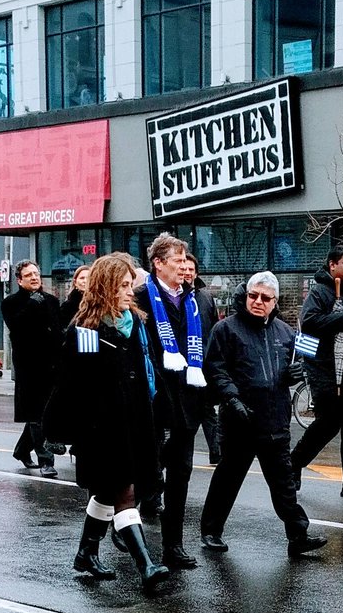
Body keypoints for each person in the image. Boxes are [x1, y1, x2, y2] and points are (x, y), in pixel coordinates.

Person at [47, 254, 170, 592]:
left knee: (107, 491)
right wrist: (61, 430)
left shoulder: (136, 324)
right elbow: (75, 383)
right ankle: (146, 565)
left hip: (135, 422)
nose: (130, 292)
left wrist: (163, 413)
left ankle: (86, 553)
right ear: (106, 287)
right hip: (102, 428)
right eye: (124, 286)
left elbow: (150, 372)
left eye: (131, 285)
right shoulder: (86, 329)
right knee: (124, 491)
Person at [199, 272, 327, 557]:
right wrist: (231, 398)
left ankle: (298, 534)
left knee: (283, 482)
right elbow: (216, 368)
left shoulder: (284, 332)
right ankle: (211, 530)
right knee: (228, 478)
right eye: (253, 295)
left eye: (265, 298)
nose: (257, 302)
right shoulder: (226, 329)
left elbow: (298, 363)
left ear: (274, 302)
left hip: (275, 418)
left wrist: (297, 372)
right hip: (239, 420)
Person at [134, 233, 215, 570]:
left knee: (180, 473)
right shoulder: (140, 298)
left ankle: (173, 545)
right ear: (158, 264)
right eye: (177, 261)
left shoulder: (196, 300)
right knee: (146, 471)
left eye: (186, 261)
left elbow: (207, 345)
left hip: (188, 400)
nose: (184, 267)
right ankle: (120, 520)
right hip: (153, 401)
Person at [289, 246, 343, 499]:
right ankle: (293, 464)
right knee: (327, 425)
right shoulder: (320, 292)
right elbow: (311, 322)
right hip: (327, 373)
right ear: (332, 265)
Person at [1, 260, 63, 478]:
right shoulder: (11, 303)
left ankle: (21, 449)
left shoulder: (52, 301)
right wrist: (32, 305)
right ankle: (46, 459)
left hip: (53, 366)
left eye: (36, 273)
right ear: (20, 280)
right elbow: (16, 328)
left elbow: (59, 331)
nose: (35, 278)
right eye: (29, 275)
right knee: (36, 413)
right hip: (29, 368)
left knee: (47, 411)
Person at [184, 253, 222, 465]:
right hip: (182, 364)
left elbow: (214, 326)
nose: (188, 273)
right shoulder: (175, 297)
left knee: (208, 410)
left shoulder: (206, 297)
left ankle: (216, 452)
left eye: (192, 269)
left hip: (204, 362)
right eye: (185, 268)